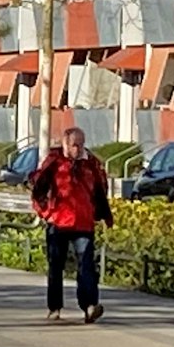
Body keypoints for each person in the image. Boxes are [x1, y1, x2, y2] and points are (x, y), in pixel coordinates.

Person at [29, 127, 114, 323]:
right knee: (55, 266)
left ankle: (90, 306)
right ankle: (55, 307)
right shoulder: (54, 163)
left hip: (83, 223)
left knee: (86, 265)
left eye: (81, 144)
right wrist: (46, 214)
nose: (78, 149)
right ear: (65, 144)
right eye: (75, 145)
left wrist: (102, 214)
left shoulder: (90, 165)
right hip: (59, 221)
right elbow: (38, 190)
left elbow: (101, 189)